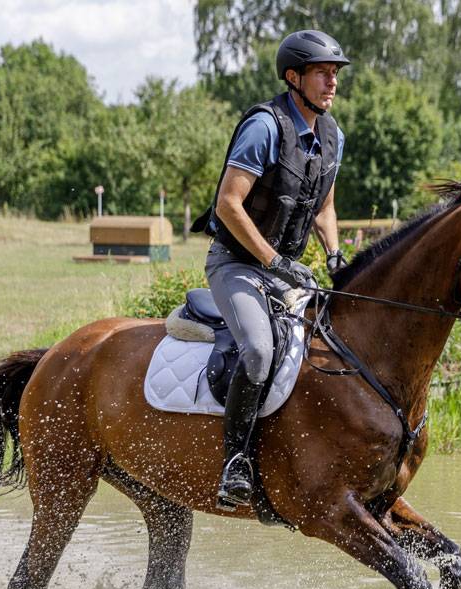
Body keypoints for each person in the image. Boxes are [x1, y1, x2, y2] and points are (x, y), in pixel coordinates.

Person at [192, 29, 351, 510]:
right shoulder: (265, 127)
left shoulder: (332, 136)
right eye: (322, 73)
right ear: (293, 77)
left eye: (335, 74)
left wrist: (335, 255)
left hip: (283, 273)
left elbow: (325, 207)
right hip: (237, 265)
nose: (332, 82)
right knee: (260, 350)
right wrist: (275, 261)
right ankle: (235, 464)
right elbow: (229, 204)